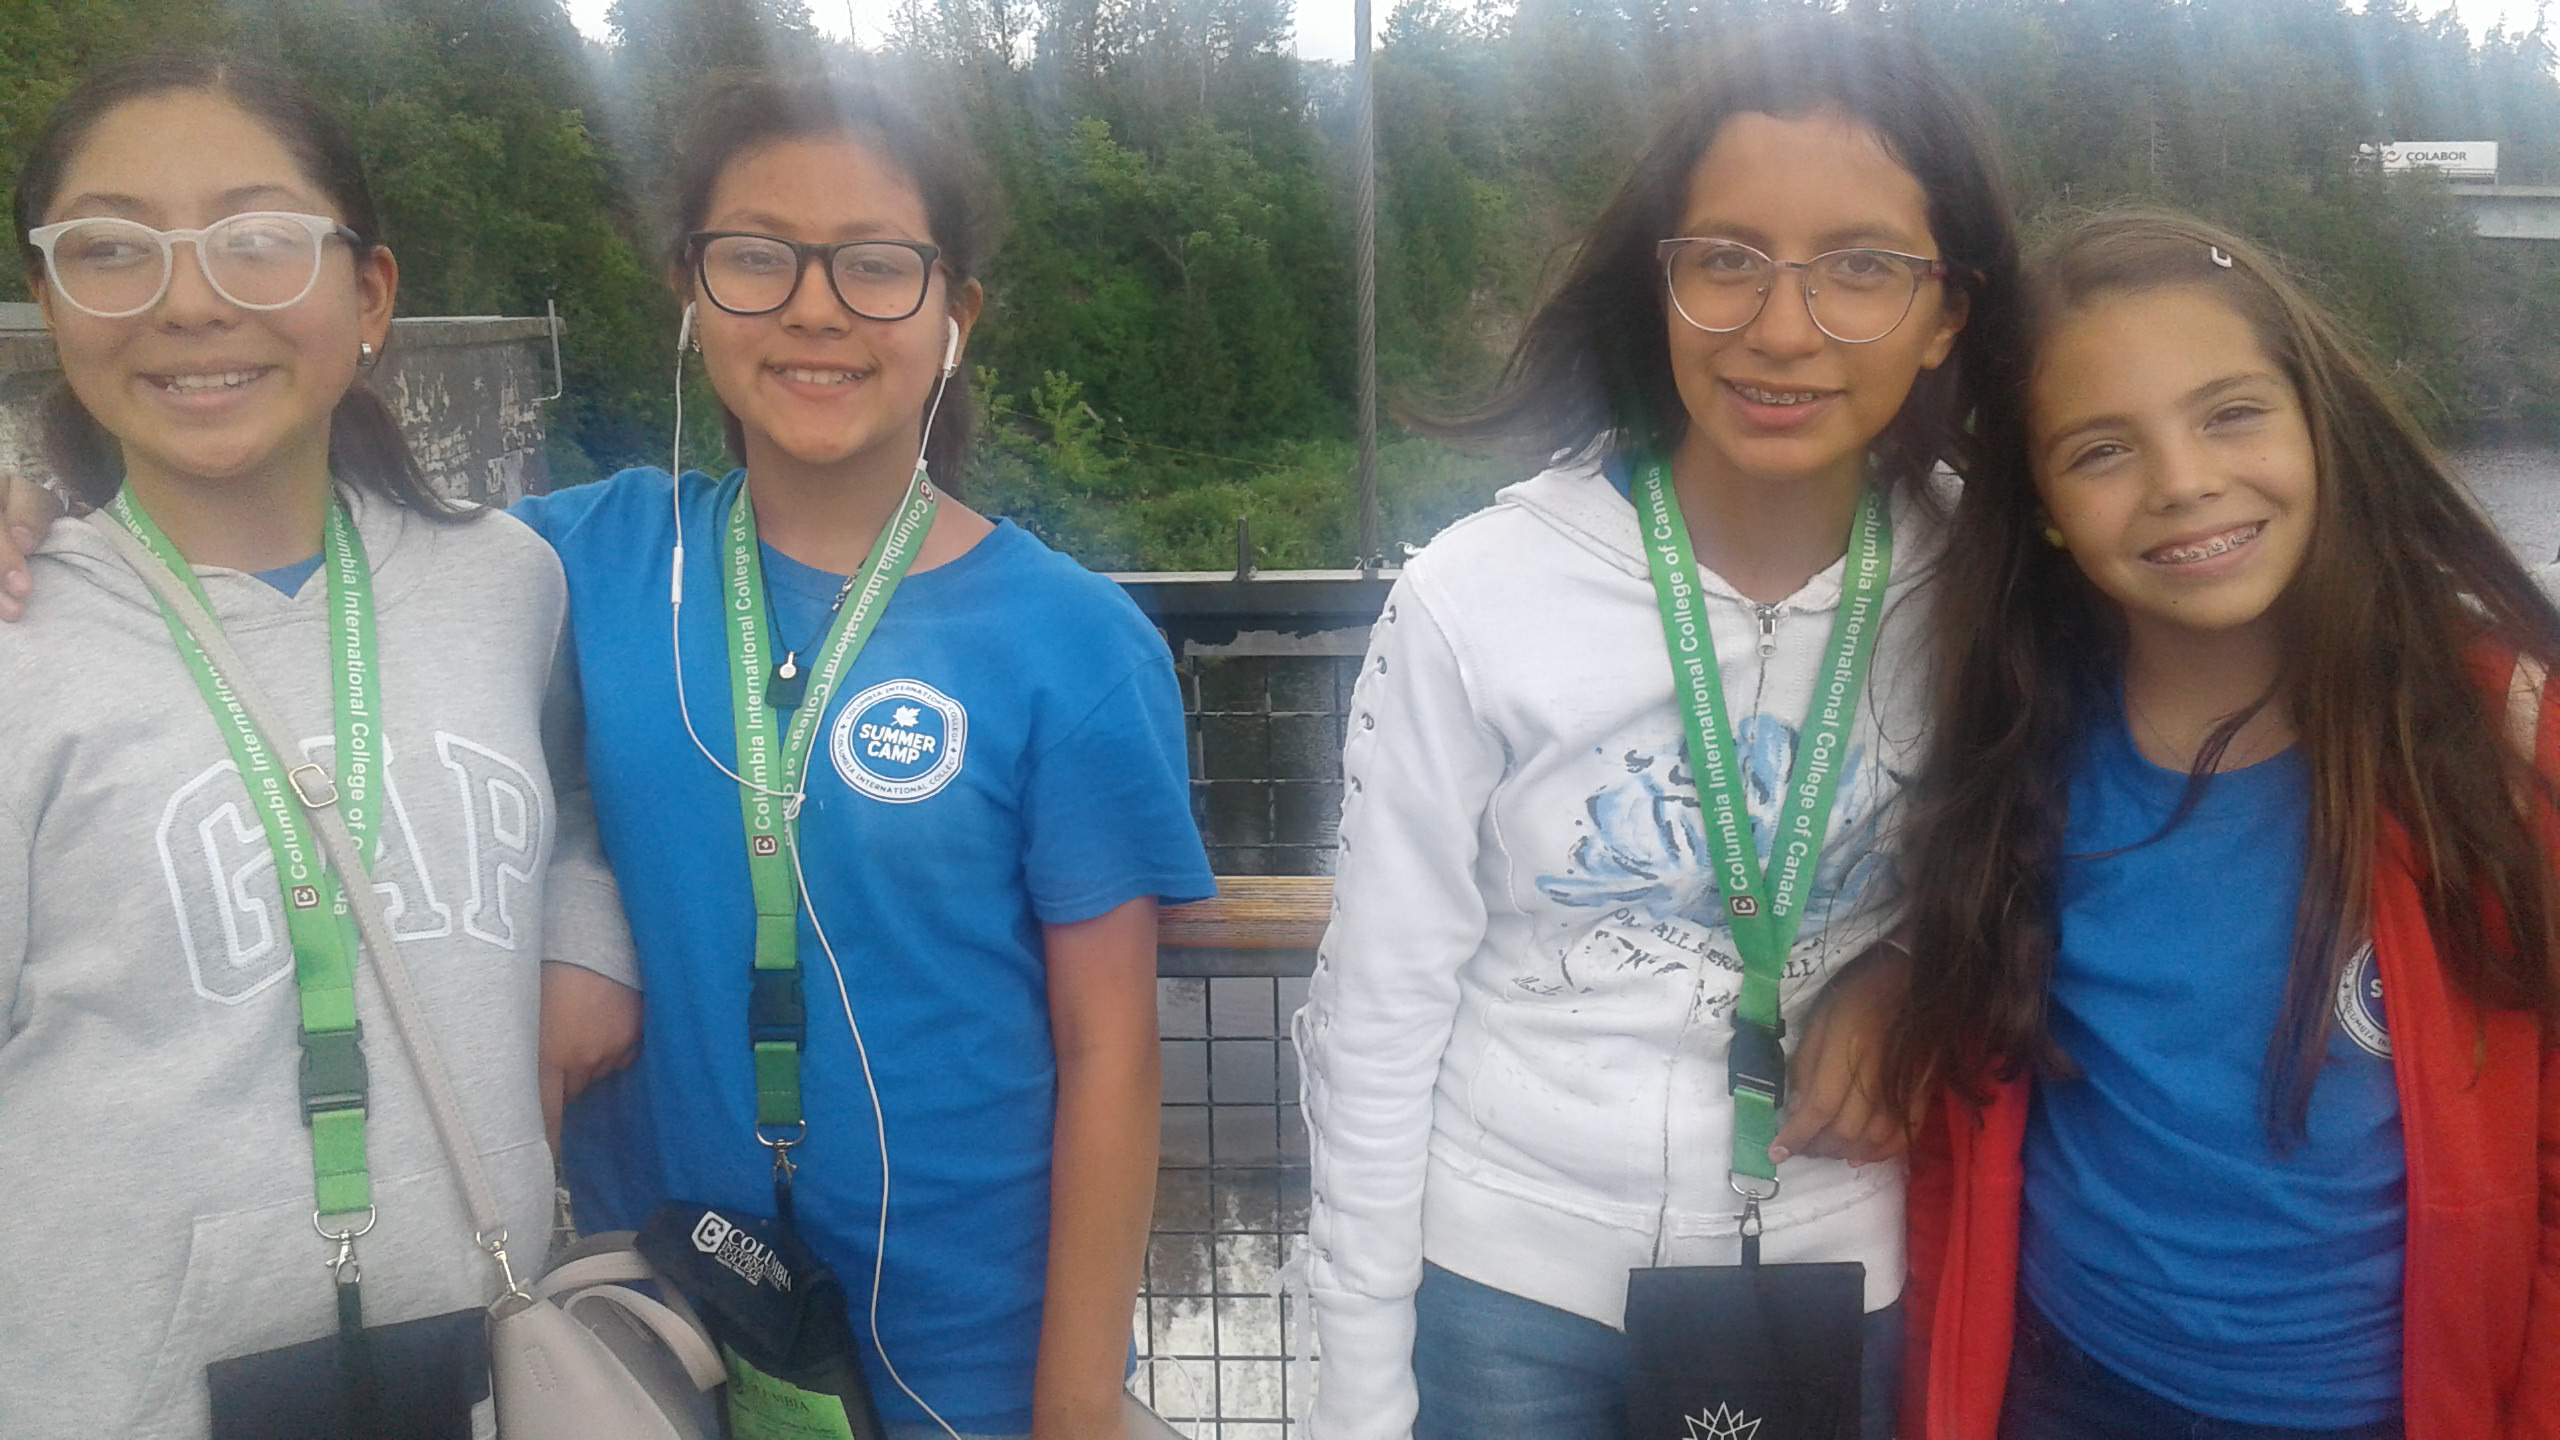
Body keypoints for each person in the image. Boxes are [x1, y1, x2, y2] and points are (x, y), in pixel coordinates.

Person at [1293, 23, 2027, 1440]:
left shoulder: (1989, 585)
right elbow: (1378, 1014)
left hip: (1842, 1276)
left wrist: (1908, 968)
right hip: (1513, 1298)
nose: (1782, 329)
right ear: (1664, 281)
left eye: (1860, 267)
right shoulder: (1476, 597)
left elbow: (2059, 864)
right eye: (1728, 258)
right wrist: (1361, 1393)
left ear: (1947, 312)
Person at [513, 74, 1213, 1440]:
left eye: (877, 265)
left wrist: (1076, 1401)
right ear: (690, 289)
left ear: (957, 315)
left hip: (971, 1356)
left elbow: (1110, 1047)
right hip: (663, 1341)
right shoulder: (581, 563)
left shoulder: (1074, 646)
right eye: (756, 257)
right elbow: (341, 598)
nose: (815, 308)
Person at [0, 52, 636, 1437]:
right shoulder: (20, 637)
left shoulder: (505, 583)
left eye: (257, 238)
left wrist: (585, 941)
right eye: (112, 248)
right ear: (51, 301)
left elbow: (571, 792)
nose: (187, 300)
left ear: (370, 296)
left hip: (482, 1368)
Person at [1886, 209, 2560, 1438]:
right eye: (2101, 450)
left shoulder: (2501, 739)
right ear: (2040, 504)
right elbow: (1960, 1114)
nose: (2183, 481)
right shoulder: (2015, 738)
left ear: (2317, 424)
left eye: (2231, 413)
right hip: (2063, 1389)